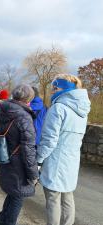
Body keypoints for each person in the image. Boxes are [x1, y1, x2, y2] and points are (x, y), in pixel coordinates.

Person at [37, 74, 91, 225]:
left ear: (62, 88)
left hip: (55, 162)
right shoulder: (82, 110)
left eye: (55, 88)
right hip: (71, 161)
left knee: (53, 199)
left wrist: (38, 160)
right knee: (67, 198)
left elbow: (49, 140)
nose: (52, 91)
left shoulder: (58, 108)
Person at [0, 84, 39, 225]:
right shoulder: (24, 117)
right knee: (17, 197)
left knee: (13, 194)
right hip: (18, 164)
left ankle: (2, 221)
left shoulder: (2, 109)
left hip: (5, 156)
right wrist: (33, 174)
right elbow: (28, 149)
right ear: (29, 99)